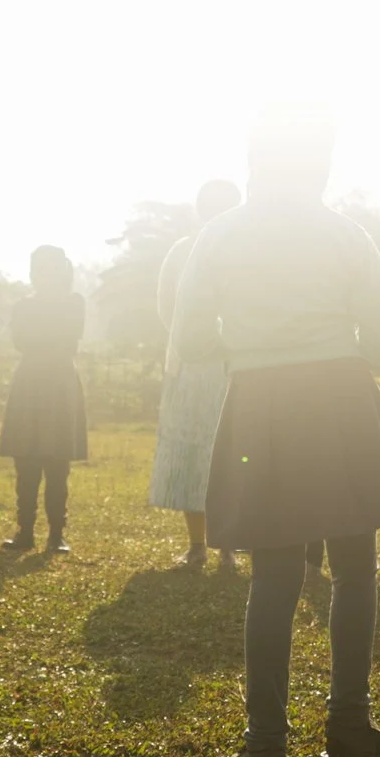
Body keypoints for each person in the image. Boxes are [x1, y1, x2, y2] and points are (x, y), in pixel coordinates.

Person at [172, 109, 380, 757]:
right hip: (338, 397)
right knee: (354, 565)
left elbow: (191, 338)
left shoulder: (219, 235)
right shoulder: (345, 234)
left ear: (255, 160)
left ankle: (264, 745)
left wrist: (252, 344)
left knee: (275, 575)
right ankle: (349, 722)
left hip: (259, 401)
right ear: (323, 163)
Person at [151, 180, 242, 570]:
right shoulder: (182, 252)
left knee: (230, 455)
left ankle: (225, 544)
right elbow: (167, 308)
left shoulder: (246, 251)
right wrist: (194, 342)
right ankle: (199, 544)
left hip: (233, 366)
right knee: (193, 455)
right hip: (193, 366)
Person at [0, 247, 90, 556]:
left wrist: (42, 335)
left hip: (58, 382)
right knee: (25, 460)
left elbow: (68, 336)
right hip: (32, 381)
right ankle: (25, 530)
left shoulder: (74, 303)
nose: (44, 274)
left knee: (57, 461)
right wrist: (48, 336)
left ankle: (56, 533)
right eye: (40, 268)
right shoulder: (24, 305)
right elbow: (21, 341)